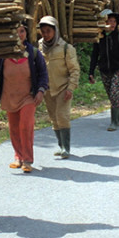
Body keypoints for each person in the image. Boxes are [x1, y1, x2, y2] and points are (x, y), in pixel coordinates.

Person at [0, 22, 48, 173]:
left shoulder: (34, 53)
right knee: (14, 128)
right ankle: (18, 157)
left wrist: (41, 90)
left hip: (28, 97)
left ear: (26, 33)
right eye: (16, 32)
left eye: (22, 31)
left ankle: (27, 160)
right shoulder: (3, 54)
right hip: (9, 96)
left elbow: (43, 74)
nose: (19, 35)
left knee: (25, 125)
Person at [37, 16, 80, 158]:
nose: (46, 34)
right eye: (43, 31)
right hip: (47, 89)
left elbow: (74, 70)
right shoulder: (39, 46)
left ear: (55, 30)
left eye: (48, 31)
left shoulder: (66, 48)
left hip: (63, 88)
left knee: (62, 116)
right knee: (54, 118)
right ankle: (61, 145)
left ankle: (66, 148)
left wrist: (70, 88)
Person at [88, 10, 119, 131]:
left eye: (114, 21)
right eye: (109, 21)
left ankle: (114, 121)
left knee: (114, 94)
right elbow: (95, 55)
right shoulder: (99, 38)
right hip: (104, 71)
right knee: (112, 96)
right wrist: (91, 72)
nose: (112, 24)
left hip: (118, 70)